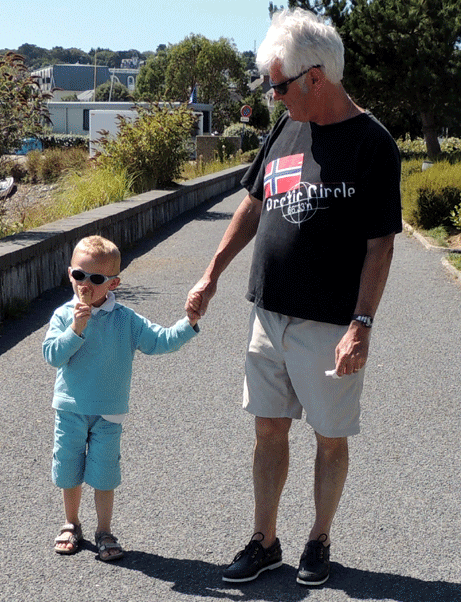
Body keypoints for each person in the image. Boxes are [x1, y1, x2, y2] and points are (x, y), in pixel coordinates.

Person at [185, 8, 401, 587]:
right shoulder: (285, 127)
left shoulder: (373, 144)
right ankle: (266, 539)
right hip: (268, 313)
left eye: (278, 84)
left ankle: (319, 538)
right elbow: (254, 203)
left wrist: (362, 323)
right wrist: (212, 272)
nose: (273, 95)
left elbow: (381, 243)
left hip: (330, 323)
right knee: (267, 429)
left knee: (330, 438)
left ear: (315, 77)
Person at [44, 235, 201, 561]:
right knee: (68, 467)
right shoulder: (63, 315)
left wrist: (190, 323)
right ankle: (71, 522)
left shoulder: (125, 319)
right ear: (69, 273)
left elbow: (161, 341)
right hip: (70, 408)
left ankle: (104, 530)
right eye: (78, 275)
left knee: (104, 472)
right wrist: (76, 328)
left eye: (96, 279)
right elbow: (52, 355)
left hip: (108, 411)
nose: (85, 284)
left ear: (113, 283)